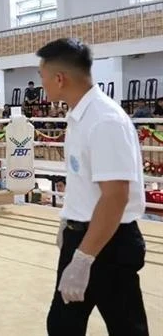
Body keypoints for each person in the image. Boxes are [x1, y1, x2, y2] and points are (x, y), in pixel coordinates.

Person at [37, 38, 148, 336]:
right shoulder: (79, 116)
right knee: (62, 325)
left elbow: (115, 197)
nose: (42, 85)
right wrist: (68, 220)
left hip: (106, 242)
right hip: (84, 235)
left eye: (43, 77)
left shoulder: (104, 120)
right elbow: (85, 183)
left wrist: (85, 257)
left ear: (60, 79)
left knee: (126, 327)